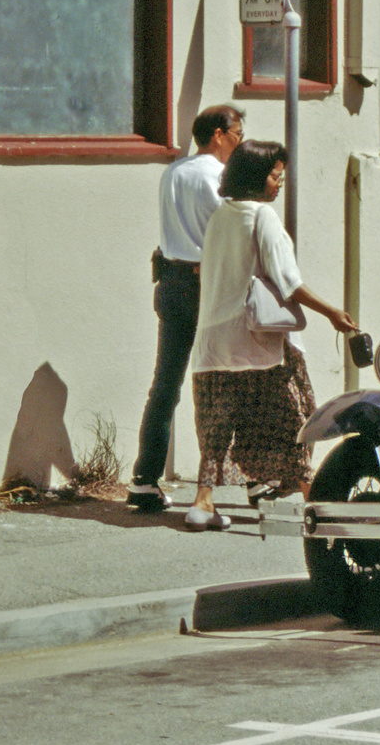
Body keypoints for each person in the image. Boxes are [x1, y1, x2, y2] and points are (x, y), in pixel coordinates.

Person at [185, 140, 357, 530]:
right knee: (294, 417)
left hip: (213, 341)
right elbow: (289, 283)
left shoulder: (220, 217)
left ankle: (202, 503)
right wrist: (333, 313)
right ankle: (315, 504)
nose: (280, 184)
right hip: (257, 343)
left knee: (216, 426)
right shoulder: (262, 217)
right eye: (276, 175)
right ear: (257, 177)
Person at [127, 106, 245, 513]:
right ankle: (248, 477)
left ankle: (144, 478)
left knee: (165, 386)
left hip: (170, 284)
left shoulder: (172, 172)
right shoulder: (217, 177)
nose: (239, 143)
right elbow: (227, 231)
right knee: (232, 382)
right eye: (237, 134)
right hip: (206, 287)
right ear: (218, 134)